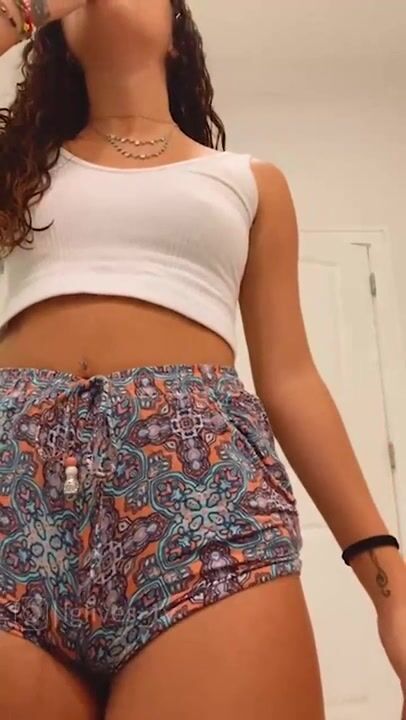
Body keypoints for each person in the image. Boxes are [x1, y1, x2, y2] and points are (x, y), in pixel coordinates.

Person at [0, 1, 405, 719]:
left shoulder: (247, 180)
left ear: (178, 39)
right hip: (13, 495)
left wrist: (390, 587)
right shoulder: (19, 170)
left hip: (201, 494)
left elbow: (291, 379)